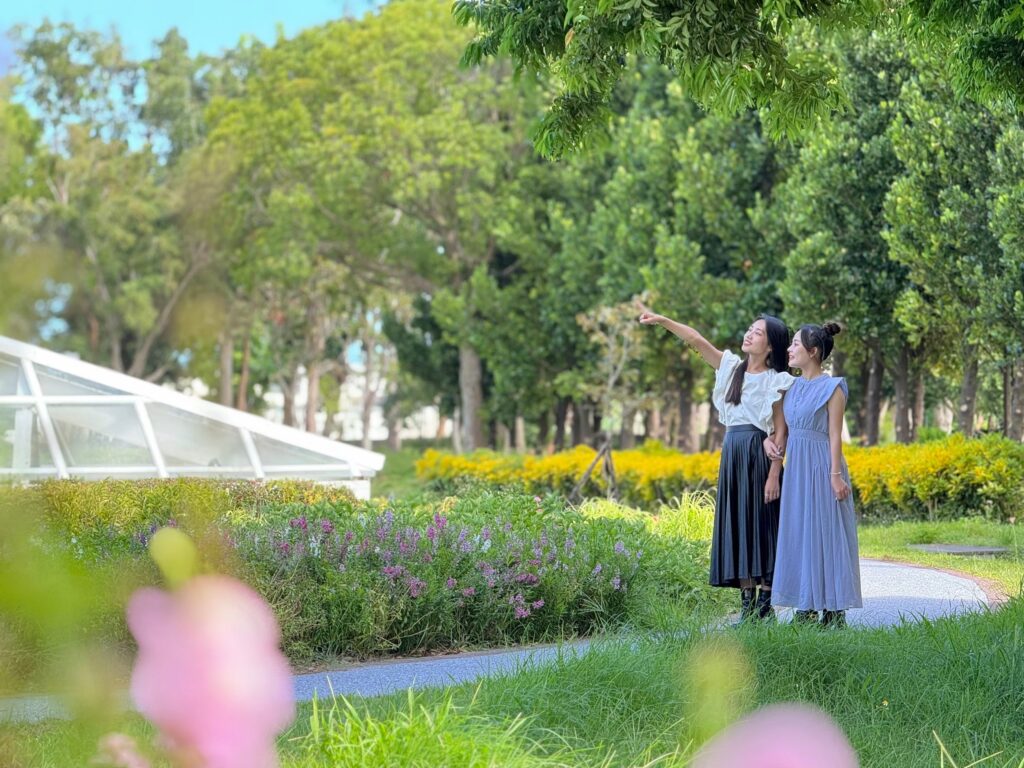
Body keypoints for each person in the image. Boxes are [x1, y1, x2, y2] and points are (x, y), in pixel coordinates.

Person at [637, 300, 794, 621]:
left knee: (761, 526)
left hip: (758, 456)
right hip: (732, 453)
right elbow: (696, 340)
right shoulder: (731, 368)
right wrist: (663, 320)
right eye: (750, 329)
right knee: (739, 524)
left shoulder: (775, 380)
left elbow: (780, 432)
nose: (750, 334)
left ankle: (766, 604)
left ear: (770, 346)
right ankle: (748, 606)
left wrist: (774, 474)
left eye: (758, 332)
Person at [767, 322, 862, 628]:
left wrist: (835, 475)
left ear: (813, 352)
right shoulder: (789, 388)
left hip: (823, 464)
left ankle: (833, 612)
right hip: (797, 470)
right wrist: (771, 443)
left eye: (796, 344)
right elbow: (779, 430)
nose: (789, 349)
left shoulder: (833, 387)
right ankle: (805, 606)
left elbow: (836, 435)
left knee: (827, 533)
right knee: (801, 533)